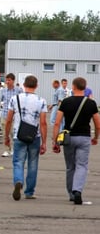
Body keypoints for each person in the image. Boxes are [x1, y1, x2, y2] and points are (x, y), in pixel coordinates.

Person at [52, 77, 100, 205]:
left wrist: (55, 140)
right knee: (82, 165)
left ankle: (71, 194)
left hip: (69, 138)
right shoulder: (91, 103)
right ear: (85, 88)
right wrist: (96, 137)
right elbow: (97, 123)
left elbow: (57, 123)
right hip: (84, 138)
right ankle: (77, 190)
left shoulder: (66, 102)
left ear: (73, 87)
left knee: (70, 166)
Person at [4, 75, 47, 201]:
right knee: (33, 164)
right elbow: (43, 123)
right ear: (36, 86)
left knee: (18, 162)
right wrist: (44, 142)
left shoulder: (15, 98)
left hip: (19, 135)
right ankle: (29, 192)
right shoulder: (41, 100)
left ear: (23, 85)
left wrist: (7, 136)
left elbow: (8, 120)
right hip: (35, 136)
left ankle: (18, 181)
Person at [0, 73, 23, 157]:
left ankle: (14, 149)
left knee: (14, 133)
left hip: (15, 116)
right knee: (5, 133)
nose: (7, 82)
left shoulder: (18, 90)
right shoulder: (3, 90)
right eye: (6, 80)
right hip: (5, 114)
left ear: (13, 80)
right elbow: (0, 100)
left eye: (9, 80)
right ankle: (7, 149)